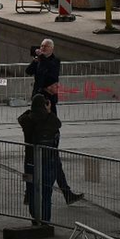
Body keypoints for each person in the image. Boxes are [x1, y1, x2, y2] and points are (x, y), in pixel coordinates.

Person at [17, 93, 82, 221]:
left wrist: (33, 110)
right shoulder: (51, 121)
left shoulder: (27, 121)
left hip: (30, 161)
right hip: (48, 161)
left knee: (31, 190)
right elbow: (58, 123)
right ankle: (45, 220)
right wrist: (48, 111)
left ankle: (35, 218)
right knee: (47, 193)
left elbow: (21, 118)